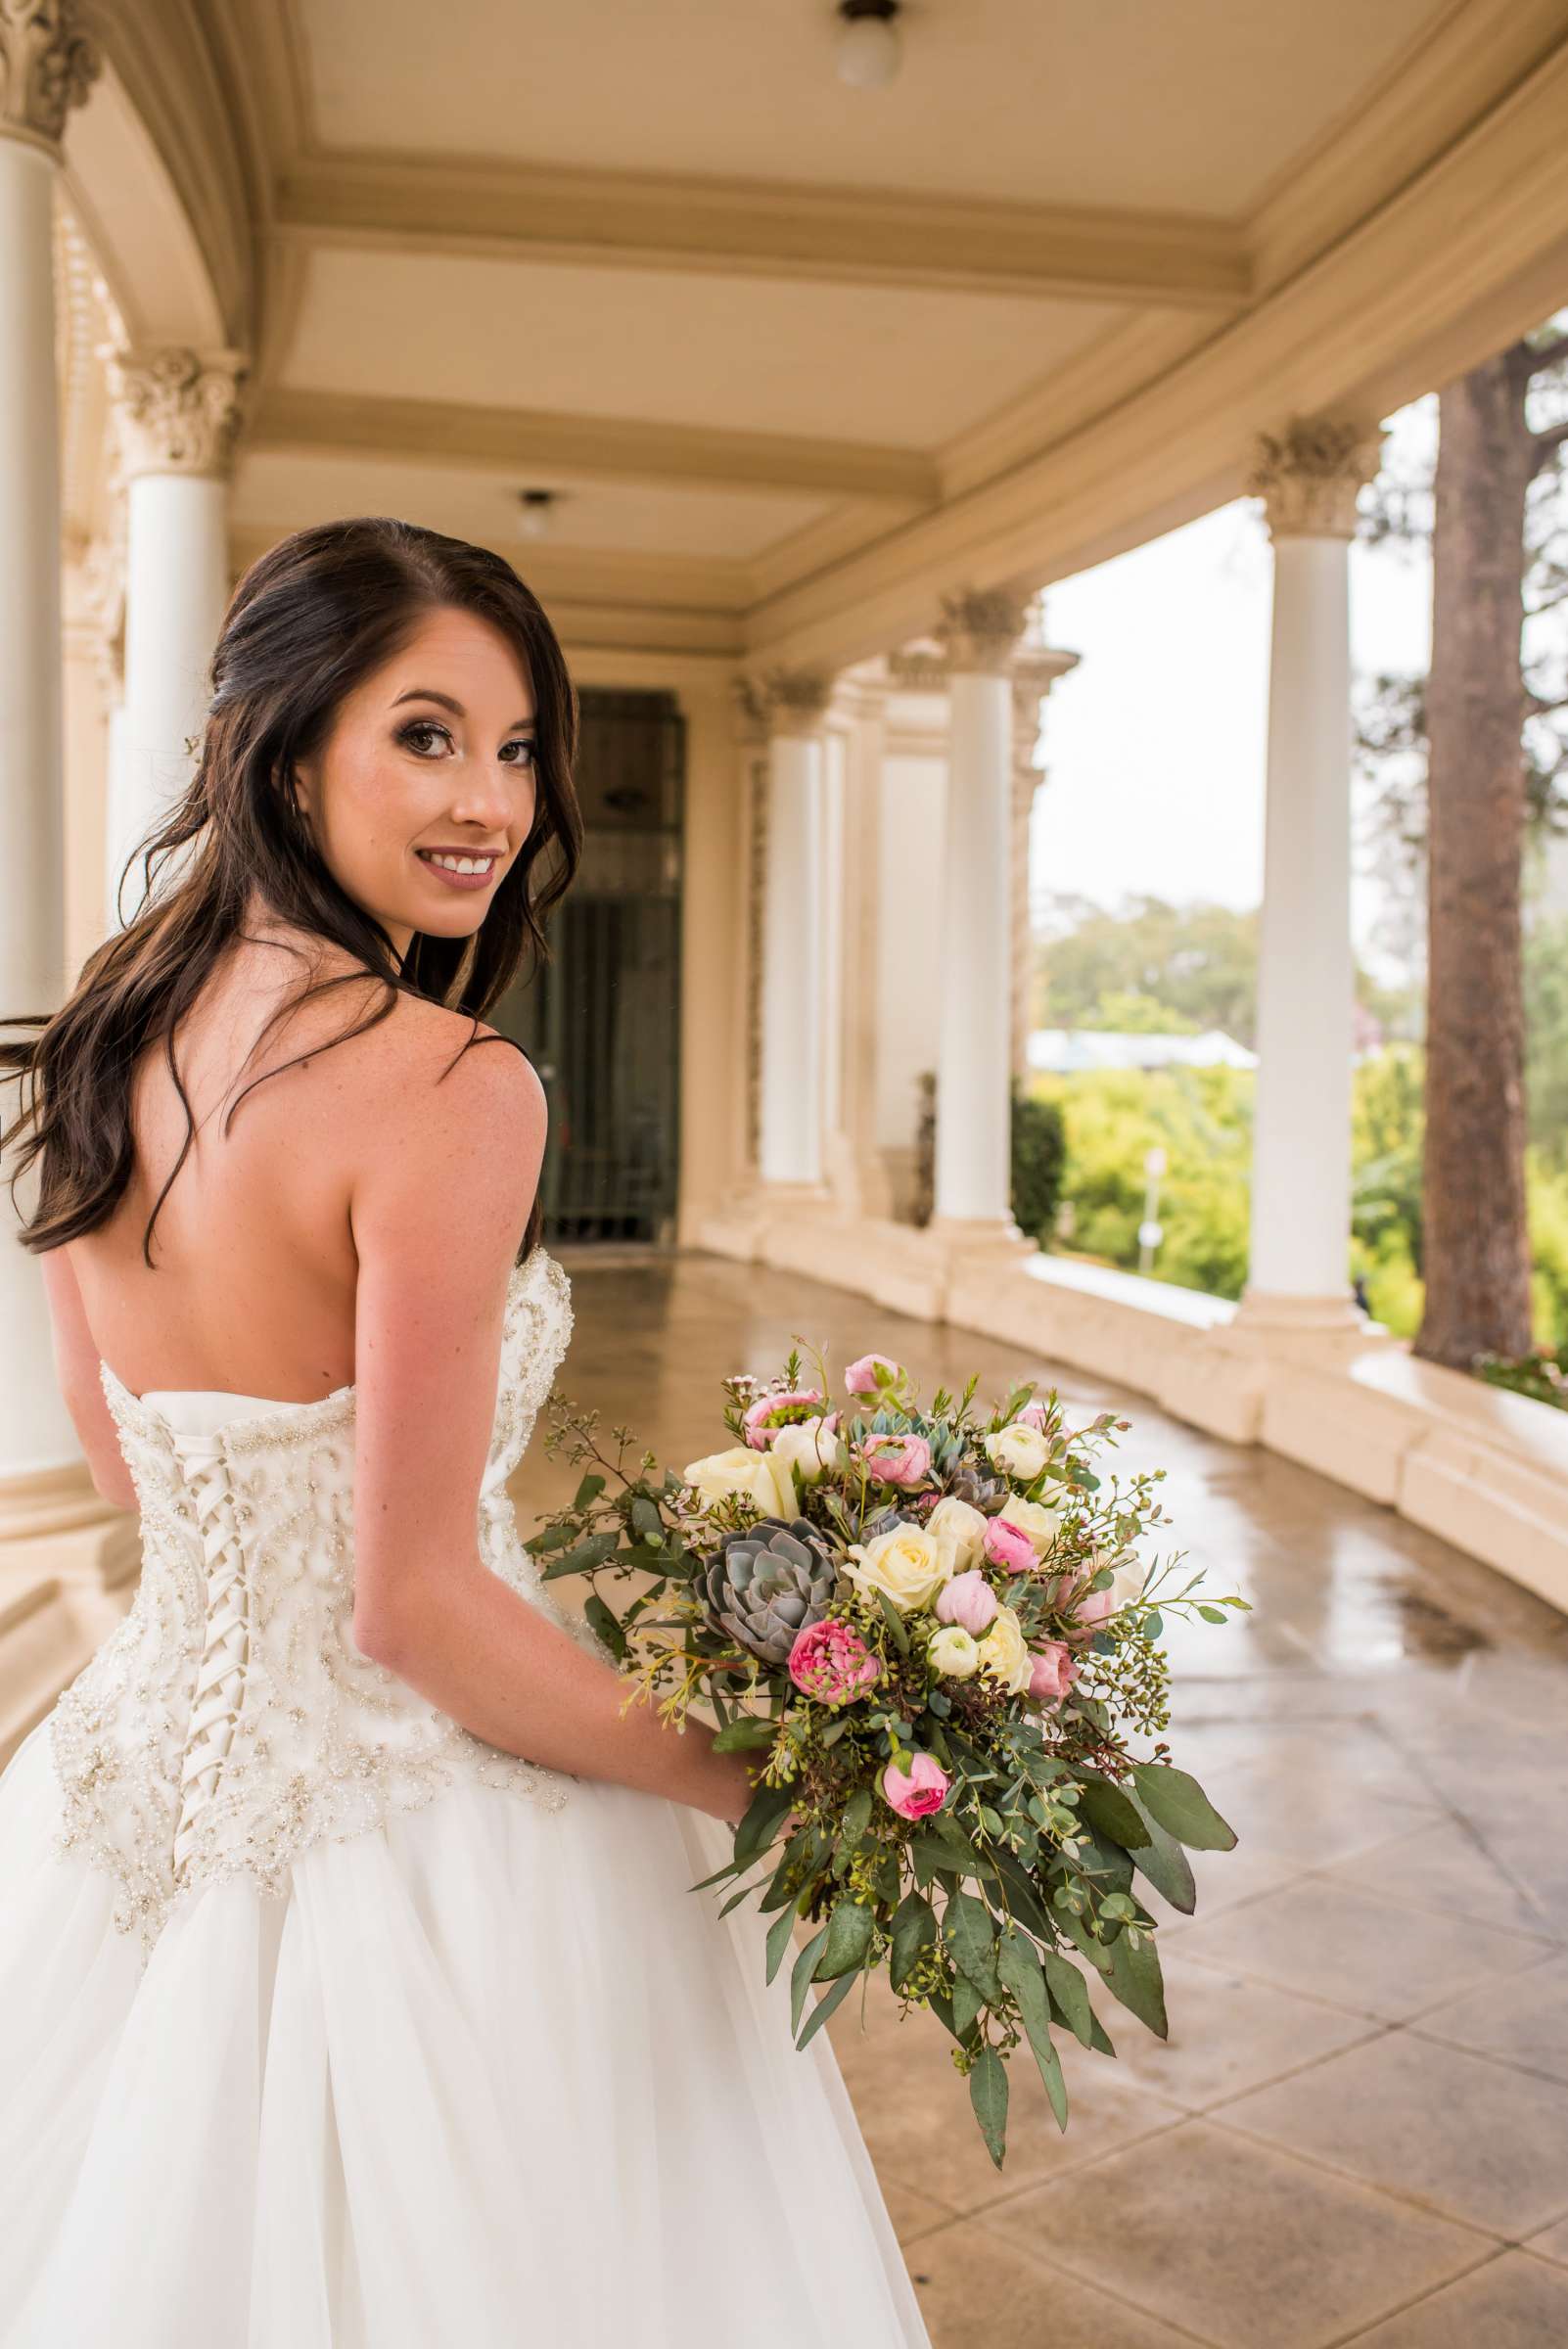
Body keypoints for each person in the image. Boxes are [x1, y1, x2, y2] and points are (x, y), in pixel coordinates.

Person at [0, 519, 932, 2349]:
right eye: (425, 734)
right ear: (285, 752)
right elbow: (410, 1610)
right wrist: (768, 1780)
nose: (488, 800)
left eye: (516, 750)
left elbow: (129, 1470)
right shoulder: (447, 1086)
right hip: (424, 1829)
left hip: (129, 1795)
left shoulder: (109, 1035)